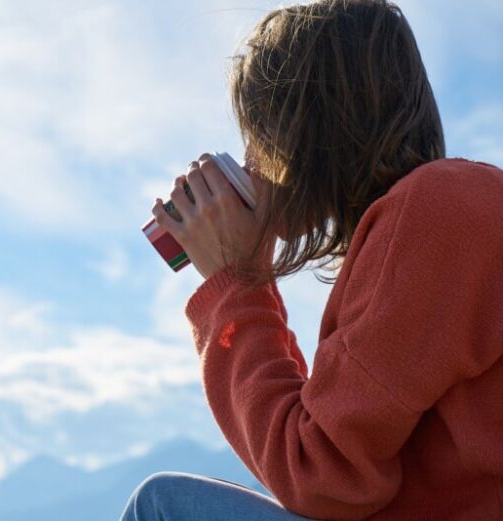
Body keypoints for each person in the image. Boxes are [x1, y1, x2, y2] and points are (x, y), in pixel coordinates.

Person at [121, 0, 503, 519]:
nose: (253, 162)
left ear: (304, 129)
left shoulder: (438, 211)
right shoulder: (445, 212)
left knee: (162, 505)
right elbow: (328, 448)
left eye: (260, 136)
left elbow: (321, 476)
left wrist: (238, 280)